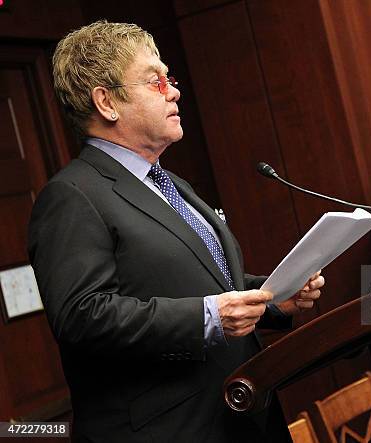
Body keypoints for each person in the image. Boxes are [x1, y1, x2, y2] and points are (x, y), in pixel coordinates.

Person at [27, 21, 324, 443]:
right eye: (156, 81)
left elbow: (208, 282)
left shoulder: (171, 184)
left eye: (171, 78)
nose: (174, 91)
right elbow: (82, 317)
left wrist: (278, 298)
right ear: (107, 102)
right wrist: (207, 317)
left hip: (242, 413)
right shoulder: (72, 195)